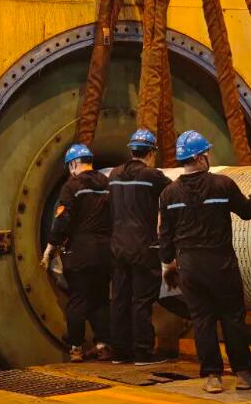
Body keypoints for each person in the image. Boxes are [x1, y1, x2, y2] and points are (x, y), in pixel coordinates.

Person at [158, 130, 251, 393]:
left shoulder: (168, 194)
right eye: (206, 153)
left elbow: (165, 236)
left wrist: (168, 262)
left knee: (202, 320)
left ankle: (212, 377)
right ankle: (243, 374)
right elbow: (247, 212)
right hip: (221, 264)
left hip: (190, 267)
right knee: (232, 317)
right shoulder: (222, 185)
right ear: (199, 157)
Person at [41, 144, 113, 362]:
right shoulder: (107, 183)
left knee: (78, 299)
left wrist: (50, 246)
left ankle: (76, 348)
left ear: (73, 164)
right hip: (105, 252)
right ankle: (103, 345)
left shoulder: (71, 186)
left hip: (79, 252)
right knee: (101, 298)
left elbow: (62, 219)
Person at [108, 129, 172, 365]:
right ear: (152, 152)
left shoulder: (114, 174)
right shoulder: (152, 176)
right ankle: (143, 352)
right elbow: (176, 193)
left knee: (120, 299)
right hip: (144, 247)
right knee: (142, 300)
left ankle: (119, 352)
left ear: (131, 150)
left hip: (118, 246)